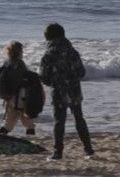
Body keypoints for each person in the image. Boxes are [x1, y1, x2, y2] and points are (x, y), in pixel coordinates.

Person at [39, 23, 95, 161]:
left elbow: (44, 77)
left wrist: (53, 82)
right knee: (79, 118)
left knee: (59, 121)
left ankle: (58, 153)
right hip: (74, 89)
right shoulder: (73, 51)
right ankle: (88, 150)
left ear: (48, 37)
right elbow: (81, 72)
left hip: (58, 91)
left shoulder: (48, 54)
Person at [0, 40, 36, 136]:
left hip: (9, 96)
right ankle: (30, 137)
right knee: (27, 120)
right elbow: (23, 80)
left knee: (9, 120)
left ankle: (1, 135)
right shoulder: (20, 64)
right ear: (20, 51)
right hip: (20, 95)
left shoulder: (6, 63)